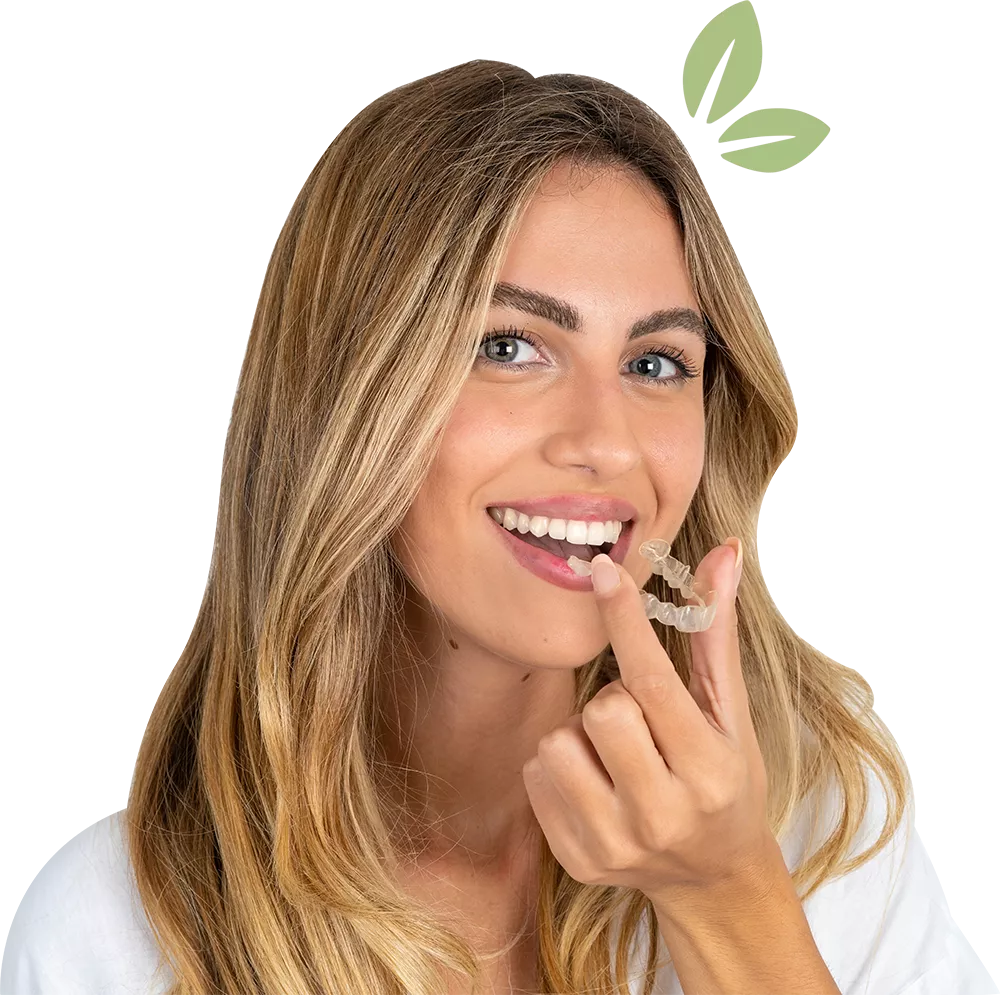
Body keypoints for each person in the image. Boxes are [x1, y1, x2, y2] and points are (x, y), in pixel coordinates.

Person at [10, 60, 993, 995]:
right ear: (345, 390)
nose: (606, 443)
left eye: (655, 363)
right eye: (509, 345)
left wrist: (726, 897)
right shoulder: (119, 926)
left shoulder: (823, 821)